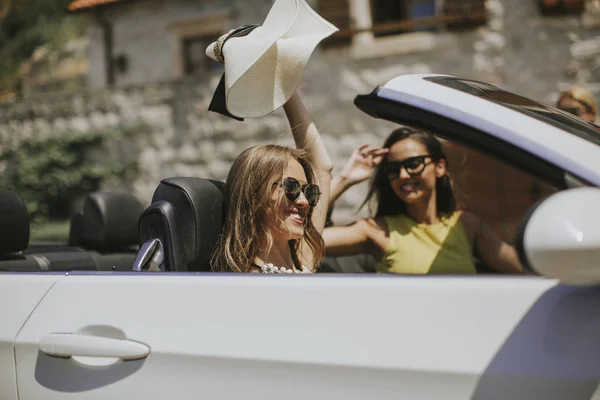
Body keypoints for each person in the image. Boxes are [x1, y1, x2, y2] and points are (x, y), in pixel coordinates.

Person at [323, 127, 523, 275]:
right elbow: (305, 241)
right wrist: (344, 180)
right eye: (393, 168)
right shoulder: (377, 231)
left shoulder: (466, 226)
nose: (403, 175)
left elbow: (524, 272)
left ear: (440, 166)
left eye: (414, 164)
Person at [212, 91, 332, 274]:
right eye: (291, 187)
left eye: (309, 192)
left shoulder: (301, 259)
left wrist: (286, 87)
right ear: (254, 193)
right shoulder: (248, 280)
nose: (304, 202)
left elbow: (322, 167)